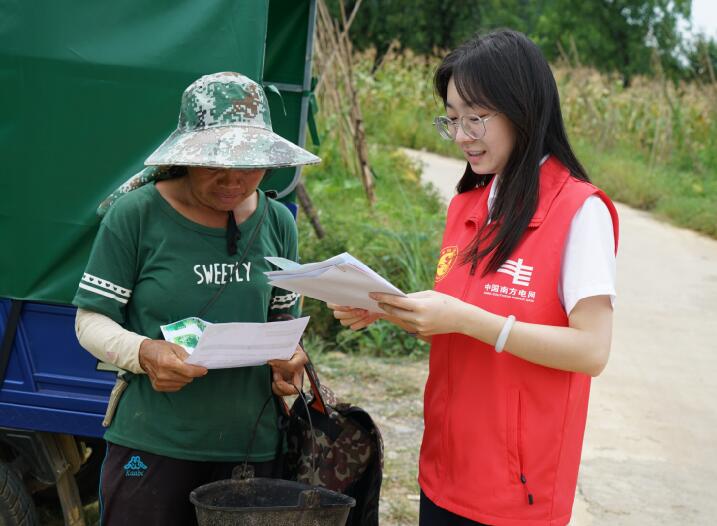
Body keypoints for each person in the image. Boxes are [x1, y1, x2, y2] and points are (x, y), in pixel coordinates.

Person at [330, 30, 619, 526]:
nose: (462, 135)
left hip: (516, 489)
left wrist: (470, 319)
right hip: (444, 467)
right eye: (452, 119)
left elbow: (591, 350)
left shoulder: (578, 211)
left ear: (522, 109)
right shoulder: (468, 205)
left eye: (476, 118)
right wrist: (387, 309)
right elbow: (457, 320)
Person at [73, 72, 320, 526]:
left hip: (250, 446)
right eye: (214, 163)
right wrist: (144, 353)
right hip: (154, 442)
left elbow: (284, 327)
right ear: (185, 157)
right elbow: (90, 320)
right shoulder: (138, 215)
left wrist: (291, 362)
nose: (233, 179)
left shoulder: (278, 222)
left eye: (249, 163)